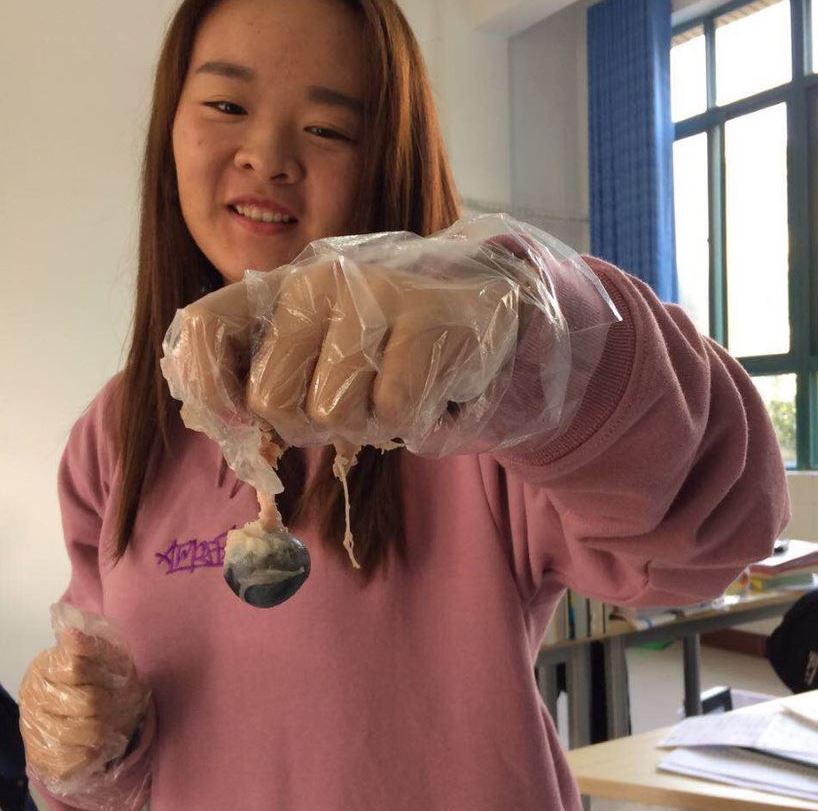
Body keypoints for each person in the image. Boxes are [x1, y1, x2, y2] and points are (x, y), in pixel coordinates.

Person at [17, 0, 790, 809]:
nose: (269, 155)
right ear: (169, 129)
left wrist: (534, 343)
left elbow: (719, 528)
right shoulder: (113, 438)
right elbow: (125, 762)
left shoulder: (478, 398)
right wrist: (96, 745)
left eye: (326, 127)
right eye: (226, 105)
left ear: (388, 157)